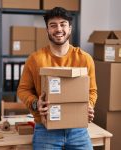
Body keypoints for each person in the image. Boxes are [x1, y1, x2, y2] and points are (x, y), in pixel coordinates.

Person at [17, 7, 97, 150]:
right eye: (53, 25)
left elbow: (92, 91)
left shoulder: (85, 59)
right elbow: (23, 90)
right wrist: (36, 104)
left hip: (77, 129)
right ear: (47, 30)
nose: (58, 29)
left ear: (70, 28)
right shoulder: (35, 59)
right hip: (45, 129)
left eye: (63, 24)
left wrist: (88, 105)